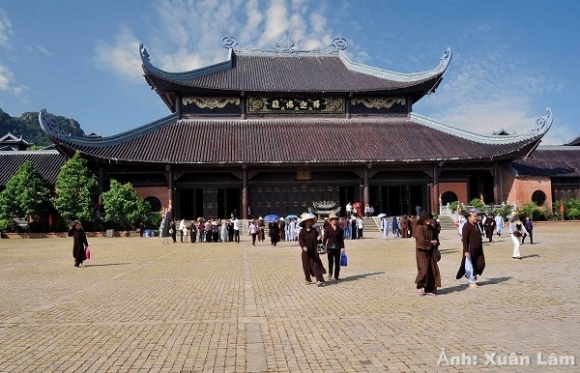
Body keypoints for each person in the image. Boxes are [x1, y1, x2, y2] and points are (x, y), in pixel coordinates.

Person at [456, 209, 486, 288]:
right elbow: (464, 239)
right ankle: (472, 282)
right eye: (475, 216)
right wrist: (466, 250)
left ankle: (470, 274)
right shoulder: (466, 226)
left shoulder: (476, 225)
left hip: (478, 248)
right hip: (470, 248)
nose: (477, 218)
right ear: (469, 217)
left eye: (477, 216)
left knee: (481, 264)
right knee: (470, 265)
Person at [413, 212, 441, 296]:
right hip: (422, 252)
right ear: (423, 220)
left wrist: (435, 242)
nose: (429, 220)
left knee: (432, 270)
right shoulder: (419, 228)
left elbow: (436, 237)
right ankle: (420, 286)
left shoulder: (430, 228)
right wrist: (430, 242)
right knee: (424, 270)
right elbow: (420, 241)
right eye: (427, 218)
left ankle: (430, 289)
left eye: (429, 218)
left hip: (430, 252)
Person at [298, 212, 327, 286]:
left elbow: (317, 240)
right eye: (307, 221)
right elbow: (301, 240)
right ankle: (308, 278)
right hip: (306, 251)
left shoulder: (314, 231)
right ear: (305, 222)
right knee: (306, 265)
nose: (309, 223)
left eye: (310, 221)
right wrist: (303, 246)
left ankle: (319, 279)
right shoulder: (302, 231)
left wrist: (319, 238)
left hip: (314, 250)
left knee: (316, 264)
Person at [324, 213, 345, 281]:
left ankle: (336, 276)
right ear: (331, 221)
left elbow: (341, 239)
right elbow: (325, 238)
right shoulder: (328, 228)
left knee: (337, 262)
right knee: (330, 262)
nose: (335, 221)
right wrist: (322, 245)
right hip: (330, 247)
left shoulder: (339, 229)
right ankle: (330, 274)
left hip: (337, 247)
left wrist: (343, 247)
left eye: (336, 220)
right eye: (333, 220)